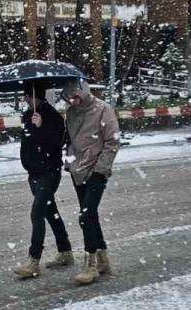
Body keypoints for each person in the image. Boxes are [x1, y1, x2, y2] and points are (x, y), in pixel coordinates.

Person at [61, 78, 120, 285]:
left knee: (85, 216)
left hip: (96, 171)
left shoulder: (103, 109)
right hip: (77, 171)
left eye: (75, 96)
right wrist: (69, 162)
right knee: (91, 216)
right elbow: (69, 140)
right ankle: (103, 260)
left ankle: (91, 264)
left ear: (84, 91)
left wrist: (100, 170)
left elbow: (112, 142)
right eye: (68, 97)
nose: (73, 100)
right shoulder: (71, 112)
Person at [13, 82, 74, 279]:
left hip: (49, 172)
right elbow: (27, 142)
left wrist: (41, 127)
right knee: (50, 212)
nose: (26, 99)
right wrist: (27, 163)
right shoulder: (27, 115)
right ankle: (65, 251)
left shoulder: (52, 116)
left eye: (28, 96)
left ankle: (34, 260)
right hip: (34, 173)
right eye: (25, 97)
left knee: (37, 213)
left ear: (36, 97)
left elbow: (57, 142)